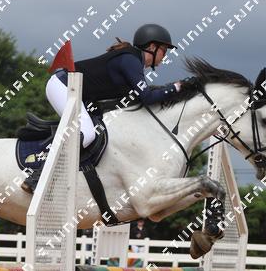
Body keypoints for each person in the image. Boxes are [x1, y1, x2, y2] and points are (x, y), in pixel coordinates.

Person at [22, 24, 184, 193]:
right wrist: (176, 87)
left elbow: (140, 98)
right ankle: (37, 175)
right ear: (152, 47)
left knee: (97, 129)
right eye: (164, 50)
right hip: (63, 86)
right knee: (87, 133)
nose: (165, 56)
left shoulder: (133, 61)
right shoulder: (130, 61)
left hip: (76, 92)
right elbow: (148, 97)